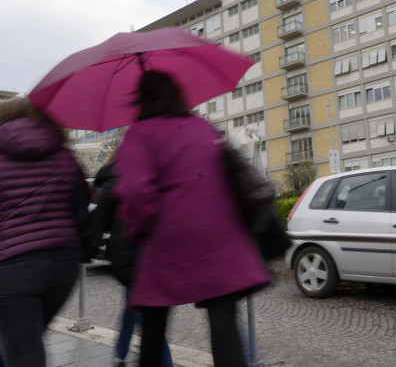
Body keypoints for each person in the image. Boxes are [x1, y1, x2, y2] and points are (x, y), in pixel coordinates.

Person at [114, 70, 271, 367]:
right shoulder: (201, 126)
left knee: (154, 319)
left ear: (141, 99)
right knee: (223, 321)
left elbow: (137, 194)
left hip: (169, 239)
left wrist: (137, 230)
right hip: (220, 239)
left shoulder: (139, 134)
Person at [0, 97, 95, 366]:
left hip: (12, 266)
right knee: (26, 341)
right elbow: (81, 201)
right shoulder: (63, 153)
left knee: (23, 350)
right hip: (62, 264)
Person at [94, 157, 173, 367]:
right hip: (153, 250)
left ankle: (159, 362)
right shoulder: (155, 170)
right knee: (138, 309)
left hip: (130, 254)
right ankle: (120, 352)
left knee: (142, 314)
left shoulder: (114, 179)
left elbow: (100, 221)